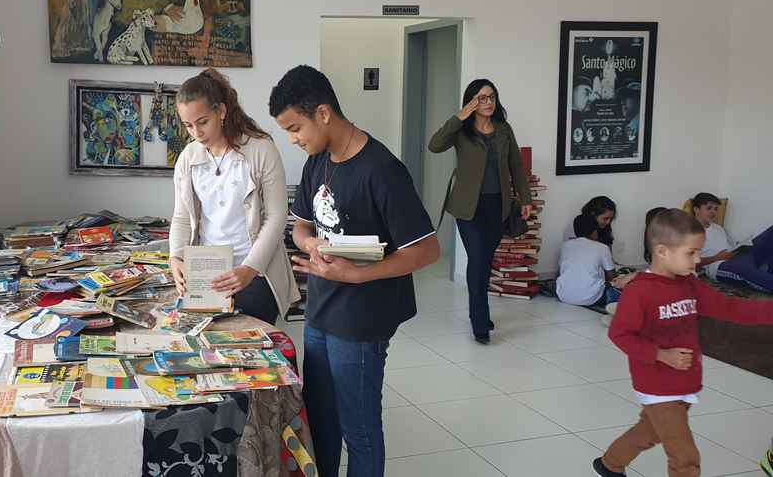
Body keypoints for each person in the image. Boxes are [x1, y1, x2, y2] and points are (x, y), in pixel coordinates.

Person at [270, 65, 439, 477]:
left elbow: (427, 249)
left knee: (358, 428)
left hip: (363, 318)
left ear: (323, 113)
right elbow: (302, 224)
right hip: (322, 310)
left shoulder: (382, 170)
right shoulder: (317, 161)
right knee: (321, 419)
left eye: (295, 128)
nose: (293, 140)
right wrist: (310, 243)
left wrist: (360, 275)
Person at [593, 209, 773, 477]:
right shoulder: (640, 292)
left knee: (648, 433)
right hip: (657, 384)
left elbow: (730, 307)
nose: (698, 259)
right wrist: (661, 355)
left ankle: (608, 464)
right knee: (685, 457)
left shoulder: (690, 284)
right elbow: (619, 334)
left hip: (684, 381)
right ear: (663, 251)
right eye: (692, 253)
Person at [168, 68, 300, 325]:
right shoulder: (188, 157)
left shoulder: (261, 149)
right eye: (188, 125)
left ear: (221, 111)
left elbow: (277, 217)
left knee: (252, 357)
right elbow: (182, 216)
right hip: (208, 274)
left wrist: (249, 269)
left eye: (202, 122)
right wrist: (175, 257)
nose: (196, 133)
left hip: (256, 273)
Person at [428, 78, 532, 344]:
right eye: (481, 98)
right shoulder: (461, 131)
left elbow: (516, 167)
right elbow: (435, 145)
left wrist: (526, 197)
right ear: (471, 101)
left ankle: (481, 315)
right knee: (478, 260)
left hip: (498, 206)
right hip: (468, 208)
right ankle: (479, 322)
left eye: (491, 97)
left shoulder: (503, 129)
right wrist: (458, 116)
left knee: (485, 261)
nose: (487, 103)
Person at [692, 192, 773, 293]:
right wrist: (717, 258)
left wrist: (741, 245)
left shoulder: (718, 228)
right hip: (719, 264)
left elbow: (732, 245)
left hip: (739, 256)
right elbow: (689, 262)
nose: (713, 212)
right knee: (746, 271)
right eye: (709, 208)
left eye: (716, 209)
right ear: (696, 209)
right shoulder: (689, 232)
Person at [557, 214, 632, 308]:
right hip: (591, 298)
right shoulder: (602, 247)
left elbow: (562, 271)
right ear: (594, 231)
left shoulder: (565, 246)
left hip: (564, 296)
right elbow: (612, 277)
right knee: (622, 288)